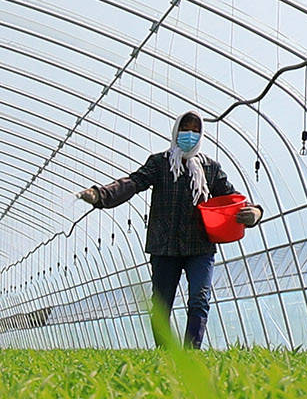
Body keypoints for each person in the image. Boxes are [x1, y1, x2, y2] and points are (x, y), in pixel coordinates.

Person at [80, 110, 256, 348]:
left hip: (200, 246)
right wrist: (101, 195)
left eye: (196, 130)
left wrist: (255, 212)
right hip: (165, 246)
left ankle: (190, 353)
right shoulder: (160, 163)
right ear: (176, 131)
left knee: (199, 299)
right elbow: (134, 182)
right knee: (161, 305)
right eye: (186, 129)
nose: (190, 135)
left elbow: (232, 197)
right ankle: (165, 353)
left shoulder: (210, 168)